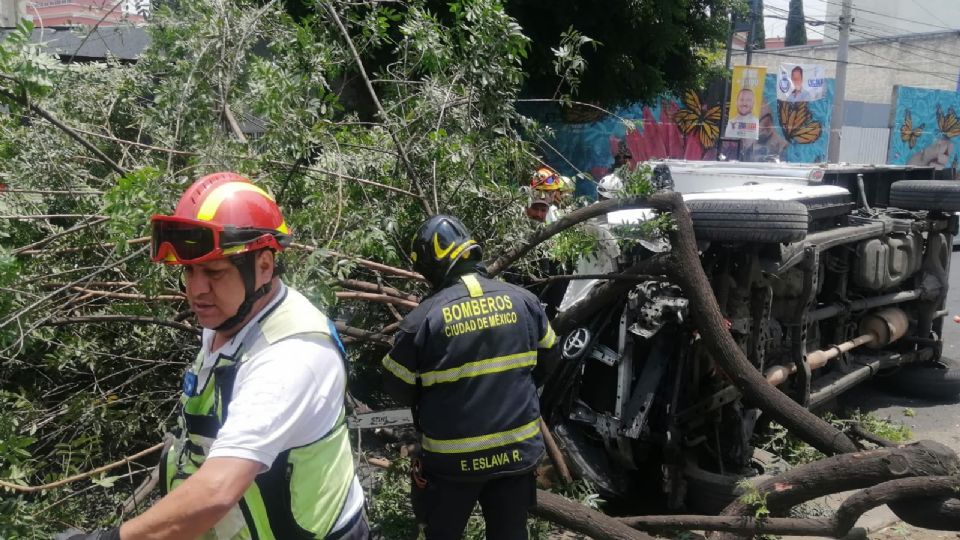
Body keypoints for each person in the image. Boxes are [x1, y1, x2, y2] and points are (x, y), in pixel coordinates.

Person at [71, 172, 367, 540]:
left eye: (213, 272)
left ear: (264, 265)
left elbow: (218, 489)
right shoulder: (232, 316)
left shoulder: (292, 356)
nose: (196, 291)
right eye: (189, 271)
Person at [381, 215, 560, 540]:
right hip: (517, 453)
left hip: (451, 464)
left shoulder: (422, 320)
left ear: (430, 266)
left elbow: (398, 388)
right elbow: (551, 357)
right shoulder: (525, 301)